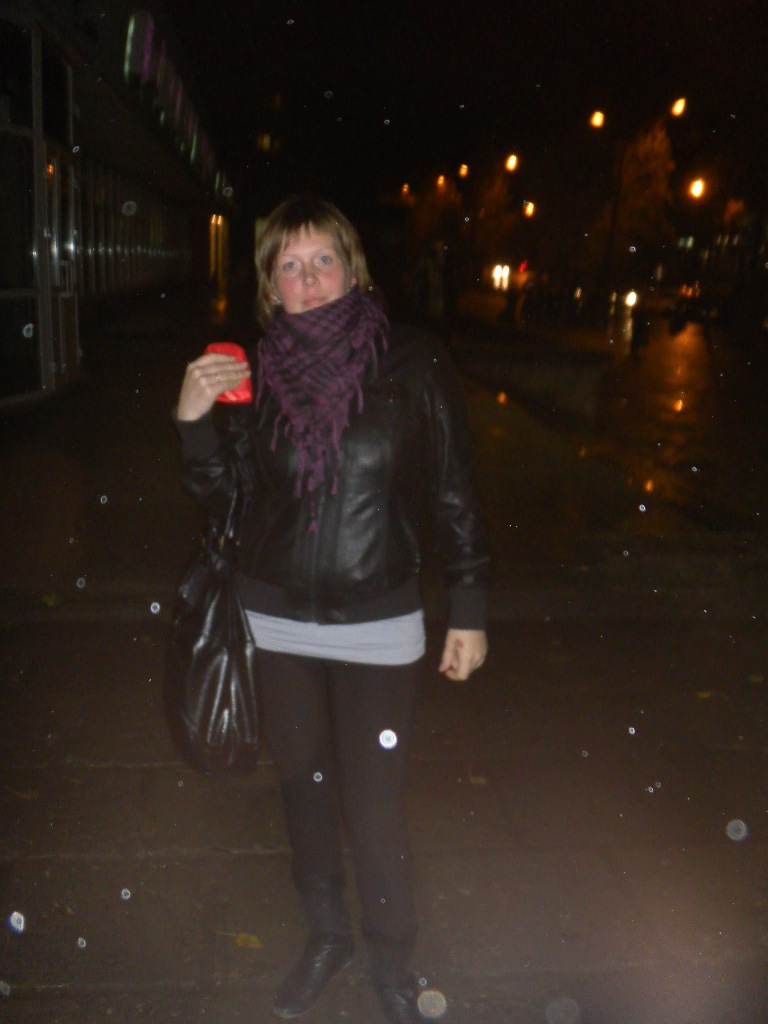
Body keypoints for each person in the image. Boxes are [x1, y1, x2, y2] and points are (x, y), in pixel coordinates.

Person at [175, 196, 489, 1023]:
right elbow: (229, 500)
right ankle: (326, 936)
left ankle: (393, 957)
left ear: (353, 269)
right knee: (305, 789)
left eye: (323, 261)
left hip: (379, 618)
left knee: (375, 809)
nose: (308, 280)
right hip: (275, 619)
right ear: (268, 285)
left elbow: (454, 489)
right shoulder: (253, 373)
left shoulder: (413, 362)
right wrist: (194, 422)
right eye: (290, 265)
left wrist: (469, 604)